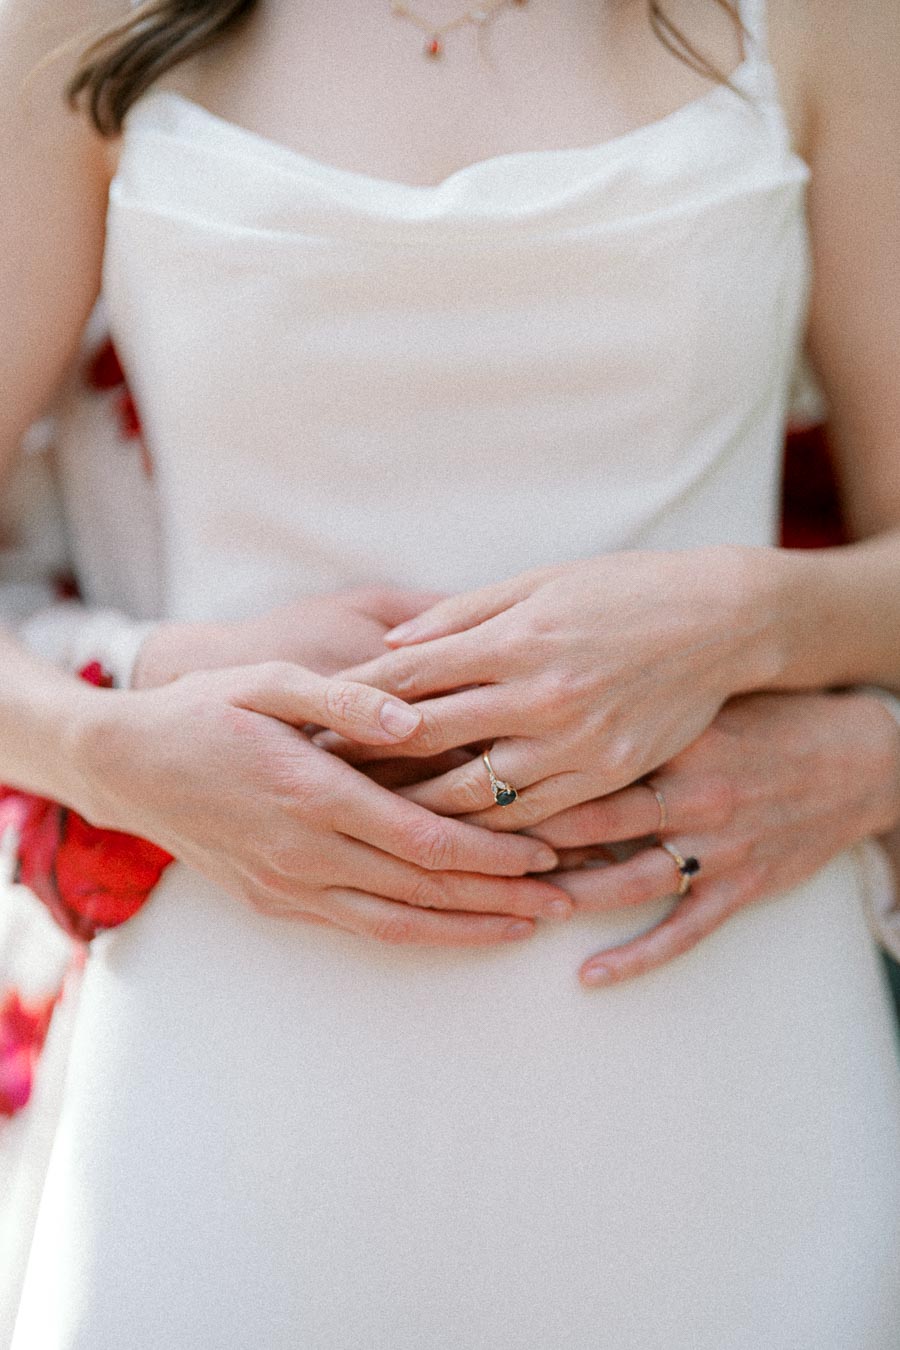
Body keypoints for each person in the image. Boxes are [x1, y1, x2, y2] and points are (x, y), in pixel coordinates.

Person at [2, 0, 900, 1345]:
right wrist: (113, 749)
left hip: (724, 1017)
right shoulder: (83, 23)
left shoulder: (819, 20)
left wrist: (749, 615)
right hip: (233, 1043)